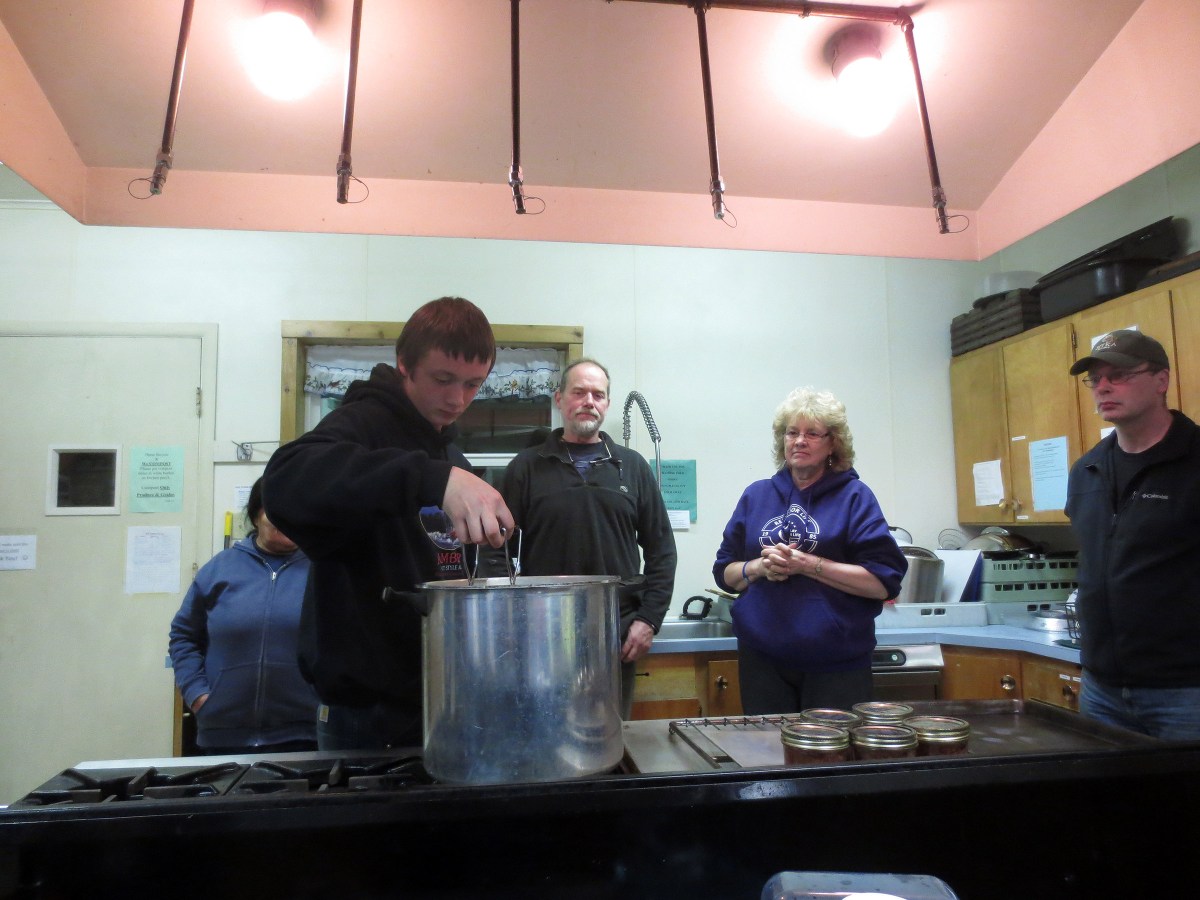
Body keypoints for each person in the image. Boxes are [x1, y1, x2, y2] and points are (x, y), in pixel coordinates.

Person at [263, 296, 514, 750]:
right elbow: (285, 481)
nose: (457, 399)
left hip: (441, 699)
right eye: (442, 379)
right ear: (404, 364)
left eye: (473, 384)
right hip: (366, 717)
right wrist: (432, 479)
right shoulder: (363, 424)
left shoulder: (449, 455)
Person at [496, 358, 677, 719]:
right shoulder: (526, 468)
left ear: (607, 403)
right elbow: (495, 551)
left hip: (616, 633)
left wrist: (648, 619)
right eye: (579, 392)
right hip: (542, 635)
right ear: (559, 399)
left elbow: (662, 551)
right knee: (544, 731)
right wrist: (508, 620)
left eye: (598, 394)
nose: (589, 402)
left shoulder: (632, 467)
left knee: (606, 734)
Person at [712, 387, 907, 714]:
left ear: (833, 443)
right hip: (762, 661)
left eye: (812, 434)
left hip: (836, 665)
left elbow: (882, 583)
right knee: (767, 746)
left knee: (831, 747)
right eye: (792, 433)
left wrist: (809, 565)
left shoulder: (855, 498)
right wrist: (760, 567)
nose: (799, 441)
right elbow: (725, 573)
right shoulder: (756, 496)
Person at [1064, 328, 1200, 740]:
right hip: (1101, 688)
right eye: (1095, 379)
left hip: (1186, 691)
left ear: (1161, 380)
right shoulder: (1087, 470)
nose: (1103, 387)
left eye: (1119, 375)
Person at [168, 478, 318, 755]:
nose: (288, 519)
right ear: (255, 515)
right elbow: (183, 636)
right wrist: (197, 694)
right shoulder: (219, 570)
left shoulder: (321, 573)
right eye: (277, 510)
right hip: (222, 735)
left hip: (303, 734)